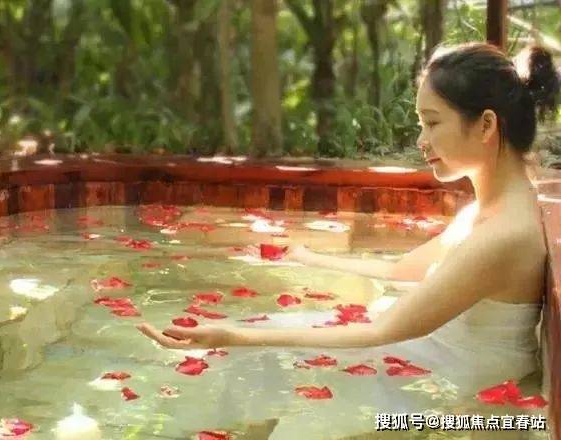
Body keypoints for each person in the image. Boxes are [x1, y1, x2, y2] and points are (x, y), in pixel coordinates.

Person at [136, 43, 560, 438]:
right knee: (264, 342)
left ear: (486, 125)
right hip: (425, 361)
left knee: (257, 352)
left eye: (432, 123)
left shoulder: (504, 234)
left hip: (447, 393)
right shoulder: (489, 211)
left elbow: (382, 332)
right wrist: (308, 257)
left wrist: (234, 336)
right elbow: (401, 270)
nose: (421, 141)